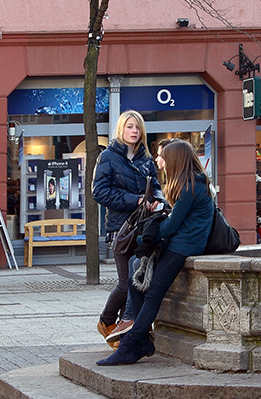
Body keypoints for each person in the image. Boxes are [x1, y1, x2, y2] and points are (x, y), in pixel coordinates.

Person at [97, 139, 215, 366]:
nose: (162, 163)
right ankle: (142, 340)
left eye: (165, 159)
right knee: (135, 280)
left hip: (184, 246)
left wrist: (144, 238)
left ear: (176, 161)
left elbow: (172, 225)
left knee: (153, 293)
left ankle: (131, 345)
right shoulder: (191, 183)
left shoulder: (191, 187)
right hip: (179, 243)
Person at [91, 111, 164, 345]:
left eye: (138, 127)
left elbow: (157, 186)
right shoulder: (108, 157)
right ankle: (107, 321)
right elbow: (99, 192)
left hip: (145, 228)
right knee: (126, 283)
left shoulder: (146, 159)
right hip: (121, 229)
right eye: (130, 127)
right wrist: (136, 200)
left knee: (138, 279)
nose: (134, 131)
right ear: (121, 129)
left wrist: (157, 200)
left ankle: (126, 329)